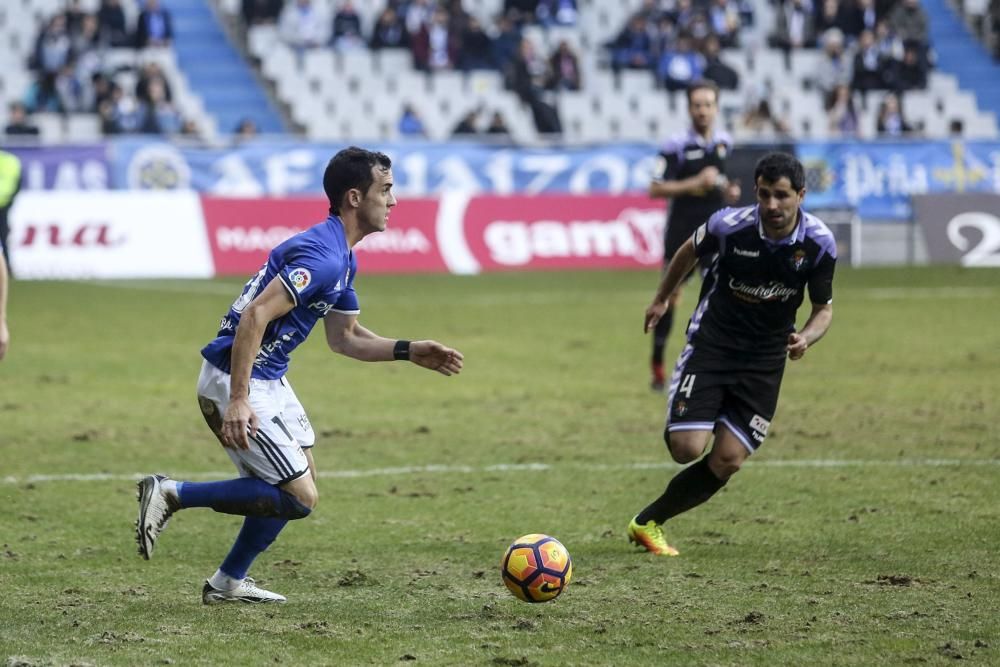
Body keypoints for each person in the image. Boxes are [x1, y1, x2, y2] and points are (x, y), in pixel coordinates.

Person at [134, 147, 464, 604]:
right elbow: (254, 317)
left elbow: (344, 338)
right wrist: (239, 398)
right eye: (385, 190)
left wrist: (408, 351)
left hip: (268, 376)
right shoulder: (325, 257)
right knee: (299, 497)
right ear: (354, 197)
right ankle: (172, 493)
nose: (394, 201)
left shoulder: (343, 256)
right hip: (238, 377)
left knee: (298, 477)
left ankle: (227, 583)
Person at [628, 152, 836, 556]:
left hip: (764, 362)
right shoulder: (729, 226)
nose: (772, 205)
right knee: (686, 449)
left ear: (801, 195)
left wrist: (807, 338)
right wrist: (662, 299)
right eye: (763, 195)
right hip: (713, 347)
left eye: (781, 196)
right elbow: (688, 250)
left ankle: (647, 522)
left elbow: (823, 308)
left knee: (727, 459)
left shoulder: (818, 244)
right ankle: (697, 411)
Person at [648, 79, 740, 392]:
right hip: (682, 234)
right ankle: (658, 365)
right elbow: (655, 187)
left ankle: (715, 361)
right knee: (670, 297)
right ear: (689, 108)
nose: (702, 110)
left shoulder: (724, 141)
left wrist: (729, 190)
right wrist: (695, 183)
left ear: (716, 108)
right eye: (697, 105)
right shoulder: (675, 145)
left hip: (716, 232)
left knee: (723, 295)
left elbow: (722, 182)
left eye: (708, 105)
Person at [0, 149, 22, 269]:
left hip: (3, 206)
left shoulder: (9, 161)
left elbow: (17, 184)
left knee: (2, 239)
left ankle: (7, 267)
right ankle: (7, 268)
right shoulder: (11, 161)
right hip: (4, 205)